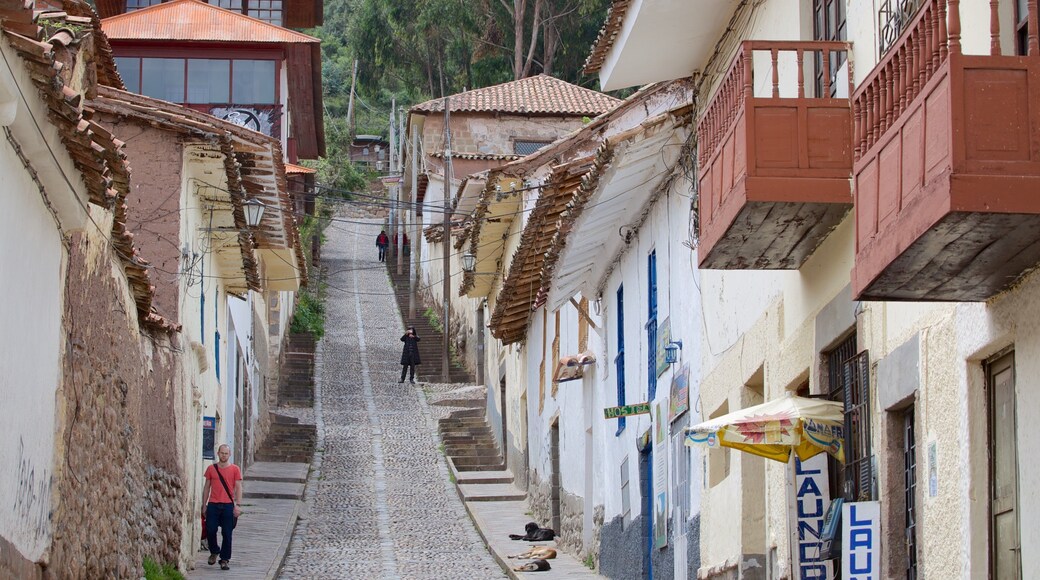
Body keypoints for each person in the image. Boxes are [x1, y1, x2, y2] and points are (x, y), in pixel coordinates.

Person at [201, 444, 243, 570]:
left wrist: (238, 505)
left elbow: (238, 487)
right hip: (213, 504)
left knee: (227, 533)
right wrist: (204, 505)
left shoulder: (235, 469)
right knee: (210, 529)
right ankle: (214, 551)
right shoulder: (211, 469)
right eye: (222, 453)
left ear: (229, 455)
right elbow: (207, 487)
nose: (224, 455)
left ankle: (224, 559)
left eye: (226, 453)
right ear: (218, 453)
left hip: (228, 505)